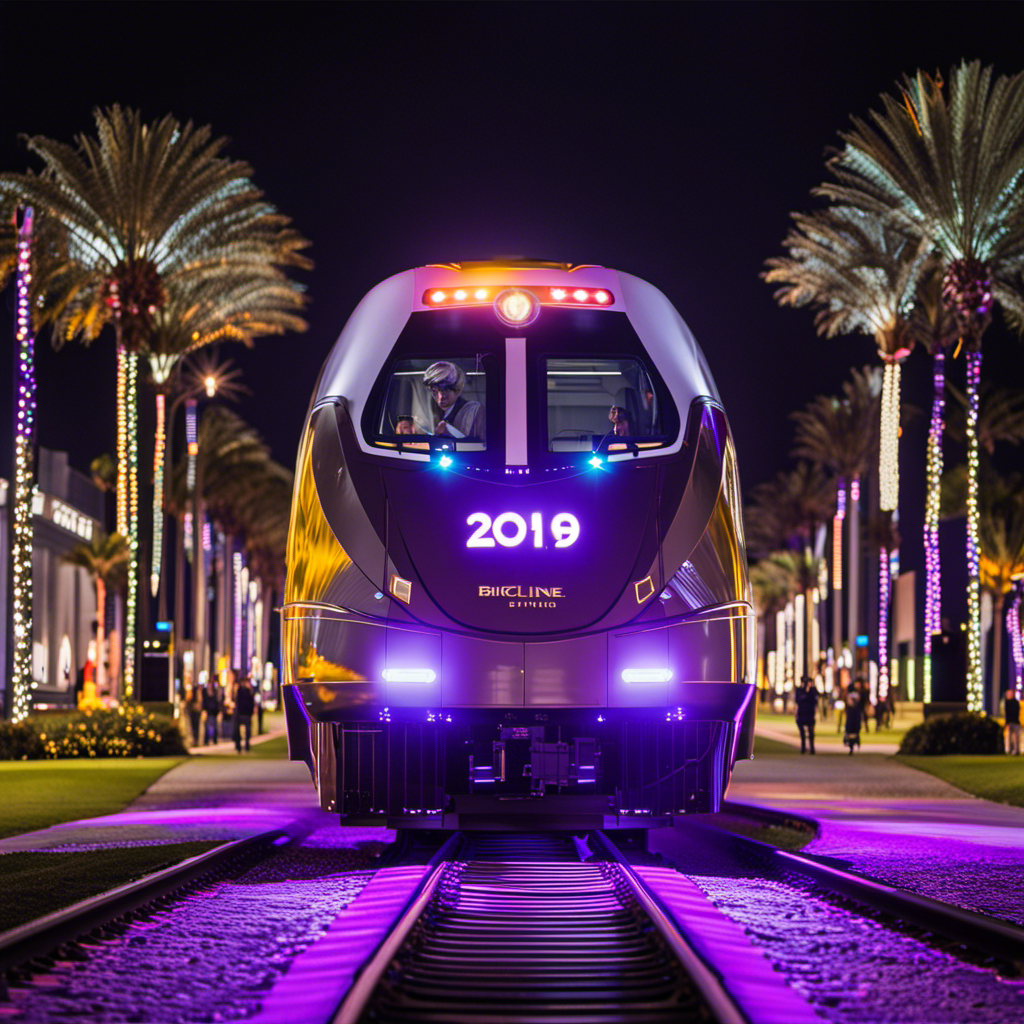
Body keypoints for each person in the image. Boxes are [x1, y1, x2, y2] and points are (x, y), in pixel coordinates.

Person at [423, 361, 485, 439]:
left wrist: (447, 432)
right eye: (434, 391)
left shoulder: (472, 409)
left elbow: (478, 443)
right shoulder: (434, 410)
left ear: (457, 389)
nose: (440, 397)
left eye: (445, 389)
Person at [795, 676, 818, 755]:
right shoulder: (799, 690)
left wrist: (808, 692)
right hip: (802, 713)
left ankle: (812, 748)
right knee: (802, 732)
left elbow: (814, 701)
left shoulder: (813, 691)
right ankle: (803, 748)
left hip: (810, 713)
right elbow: (798, 701)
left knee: (811, 731)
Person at [233, 674, 255, 752]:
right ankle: (241, 746)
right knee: (240, 731)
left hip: (245, 713)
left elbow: (251, 702)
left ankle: (245, 745)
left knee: (246, 731)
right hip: (242, 713)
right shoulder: (241, 691)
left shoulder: (247, 691)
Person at [202, 678, 220, 746]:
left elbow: (217, 703)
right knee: (207, 727)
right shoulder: (205, 693)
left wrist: (218, 711)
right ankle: (206, 740)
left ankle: (214, 740)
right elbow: (204, 703)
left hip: (214, 712)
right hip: (207, 712)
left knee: (214, 727)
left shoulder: (215, 693)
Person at [844, 690, 863, 754]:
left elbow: (857, 719)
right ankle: (851, 746)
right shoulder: (849, 709)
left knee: (853, 736)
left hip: (854, 726)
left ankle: (855, 743)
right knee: (850, 737)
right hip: (850, 726)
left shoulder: (855, 710)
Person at [1005, 689, 1021, 755]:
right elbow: (1006, 714)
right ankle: (1009, 750)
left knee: (1015, 737)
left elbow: (1015, 713)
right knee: (1009, 737)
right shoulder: (1007, 702)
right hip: (1009, 722)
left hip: (1015, 722)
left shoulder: (1015, 702)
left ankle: (1016, 750)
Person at [187, 682, 203, 747]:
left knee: (195, 727)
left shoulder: (197, 692)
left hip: (196, 711)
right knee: (195, 726)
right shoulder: (195, 692)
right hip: (195, 711)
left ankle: (195, 740)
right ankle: (194, 740)